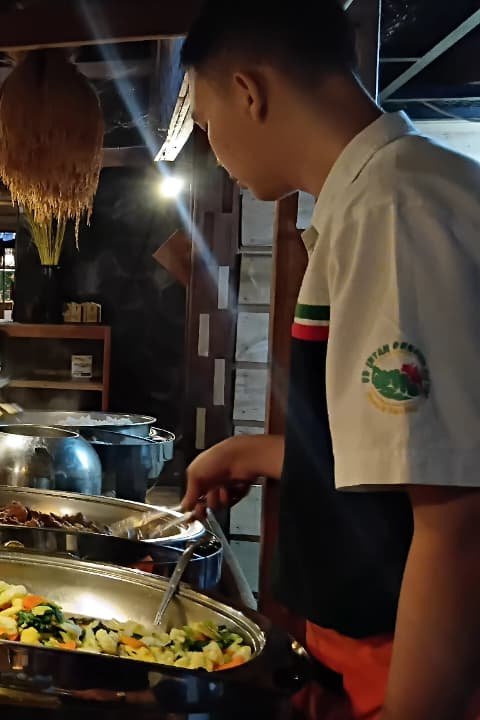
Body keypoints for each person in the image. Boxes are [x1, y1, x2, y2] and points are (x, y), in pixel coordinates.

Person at [176, 3, 480, 719]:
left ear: (249, 92)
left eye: (207, 126)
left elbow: (457, 516)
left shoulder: (393, 210)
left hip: (412, 662)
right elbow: (415, 451)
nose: (214, 152)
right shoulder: (382, 196)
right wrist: (263, 452)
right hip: (366, 651)